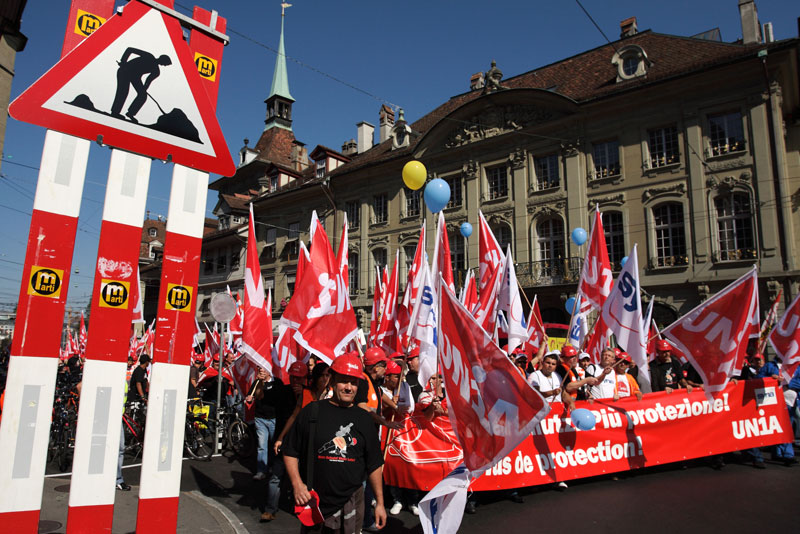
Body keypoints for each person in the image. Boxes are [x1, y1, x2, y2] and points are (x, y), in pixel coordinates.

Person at [283, 352, 386, 534]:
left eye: (353, 383)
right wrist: (297, 485)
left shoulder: (364, 419)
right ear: (332, 381)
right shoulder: (312, 412)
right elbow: (290, 451)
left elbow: (374, 464)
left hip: (352, 502)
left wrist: (380, 503)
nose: (349, 388)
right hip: (315, 502)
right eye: (344, 381)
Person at [245, 365, 295, 522]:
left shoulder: (279, 384)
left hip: (276, 423)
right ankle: (262, 471)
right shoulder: (259, 384)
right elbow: (258, 396)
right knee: (263, 446)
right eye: (259, 369)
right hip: (262, 420)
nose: (261, 371)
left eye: (263, 369)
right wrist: (256, 386)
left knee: (275, 449)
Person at [110, 47, 172, 122]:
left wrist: (144, 89)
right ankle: (115, 112)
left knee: (143, 95)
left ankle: (131, 113)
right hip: (125, 70)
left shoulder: (156, 71)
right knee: (123, 91)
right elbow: (130, 49)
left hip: (135, 77)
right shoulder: (149, 56)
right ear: (162, 59)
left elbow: (148, 81)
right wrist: (123, 61)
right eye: (165, 63)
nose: (164, 65)